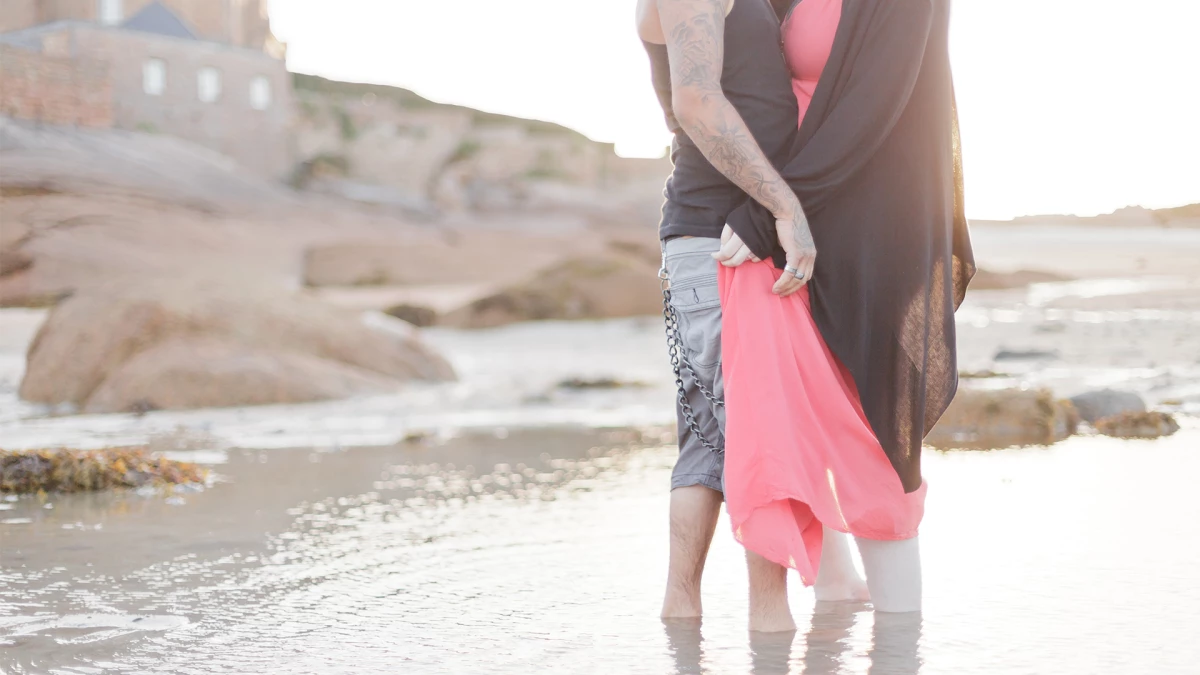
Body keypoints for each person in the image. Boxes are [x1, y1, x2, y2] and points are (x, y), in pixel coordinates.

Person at [715, 0, 975, 625]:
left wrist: (769, 215)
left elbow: (871, 105)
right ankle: (832, 591)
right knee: (787, 411)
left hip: (865, 220)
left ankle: (900, 643)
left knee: (873, 430)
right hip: (787, 210)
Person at [637, 0, 865, 633]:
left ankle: (681, 624)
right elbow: (694, 102)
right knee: (756, 434)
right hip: (723, 243)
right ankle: (771, 628)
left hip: (714, 238)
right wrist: (784, 207)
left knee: (707, 441)